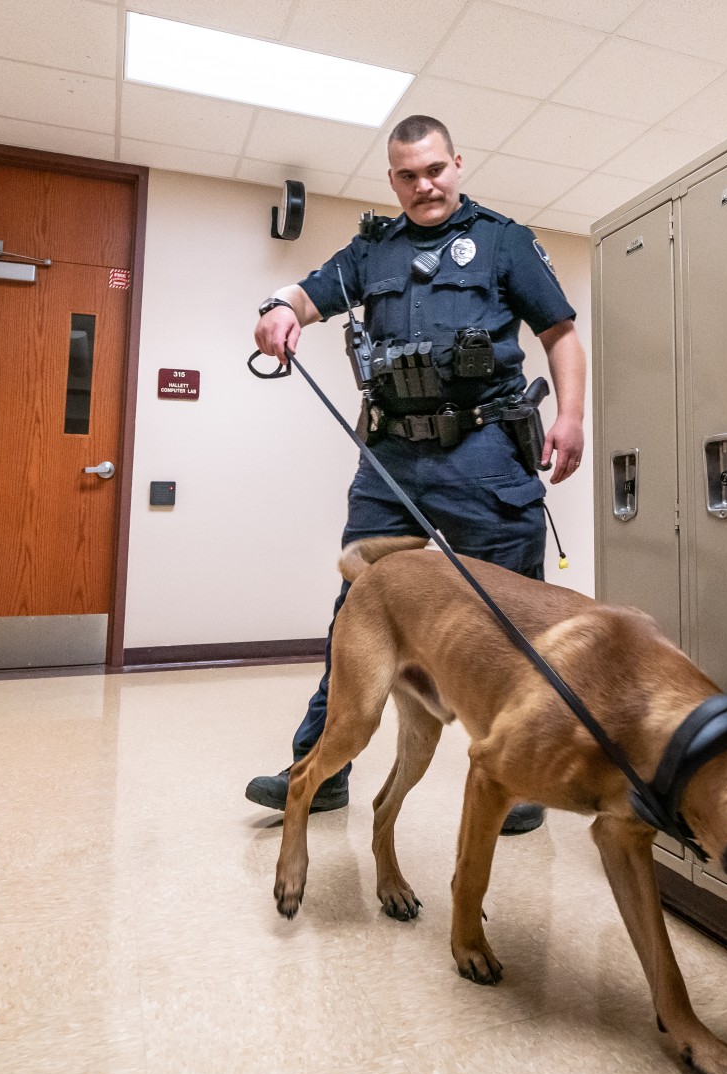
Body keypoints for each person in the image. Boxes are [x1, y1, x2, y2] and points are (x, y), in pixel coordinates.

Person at [245, 113, 585, 834]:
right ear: (392, 178)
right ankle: (321, 768)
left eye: (434, 170)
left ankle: (521, 778)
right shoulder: (372, 251)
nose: (423, 185)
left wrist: (571, 417)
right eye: (407, 175)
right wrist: (279, 310)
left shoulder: (502, 240)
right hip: (392, 459)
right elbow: (307, 295)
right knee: (358, 614)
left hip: (484, 452)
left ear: (457, 164)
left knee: (510, 618)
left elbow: (559, 333)